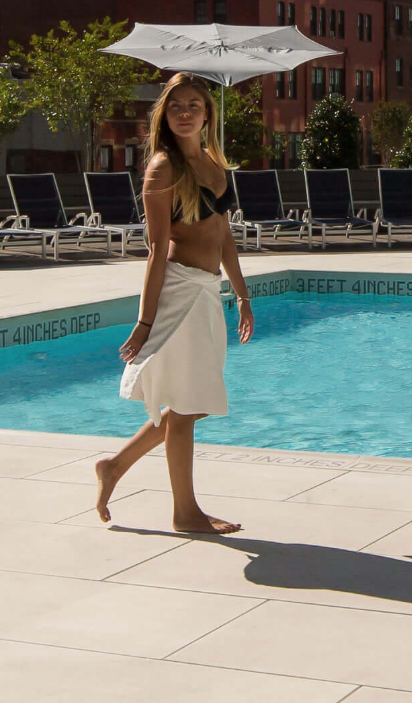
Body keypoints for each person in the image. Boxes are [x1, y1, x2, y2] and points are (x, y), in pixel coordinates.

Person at [94, 72, 254, 534]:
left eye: (194, 106)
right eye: (176, 106)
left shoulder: (214, 164)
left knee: (193, 401)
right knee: (185, 407)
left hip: (207, 291)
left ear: (208, 114)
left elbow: (223, 235)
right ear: (165, 114)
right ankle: (185, 514)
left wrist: (241, 294)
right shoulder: (163, 169)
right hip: (179, 292)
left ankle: (115, 465)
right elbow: (155, 248)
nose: (185, 113)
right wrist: (145, 322)